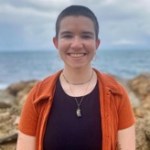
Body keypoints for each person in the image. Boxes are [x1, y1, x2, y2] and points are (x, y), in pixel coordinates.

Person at [16, 5, 136, 150]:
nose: (77, 44)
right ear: (56, 42)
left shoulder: (117, 94)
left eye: (86, 36)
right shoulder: (38, 95)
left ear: (97, 43)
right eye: (67, 35)